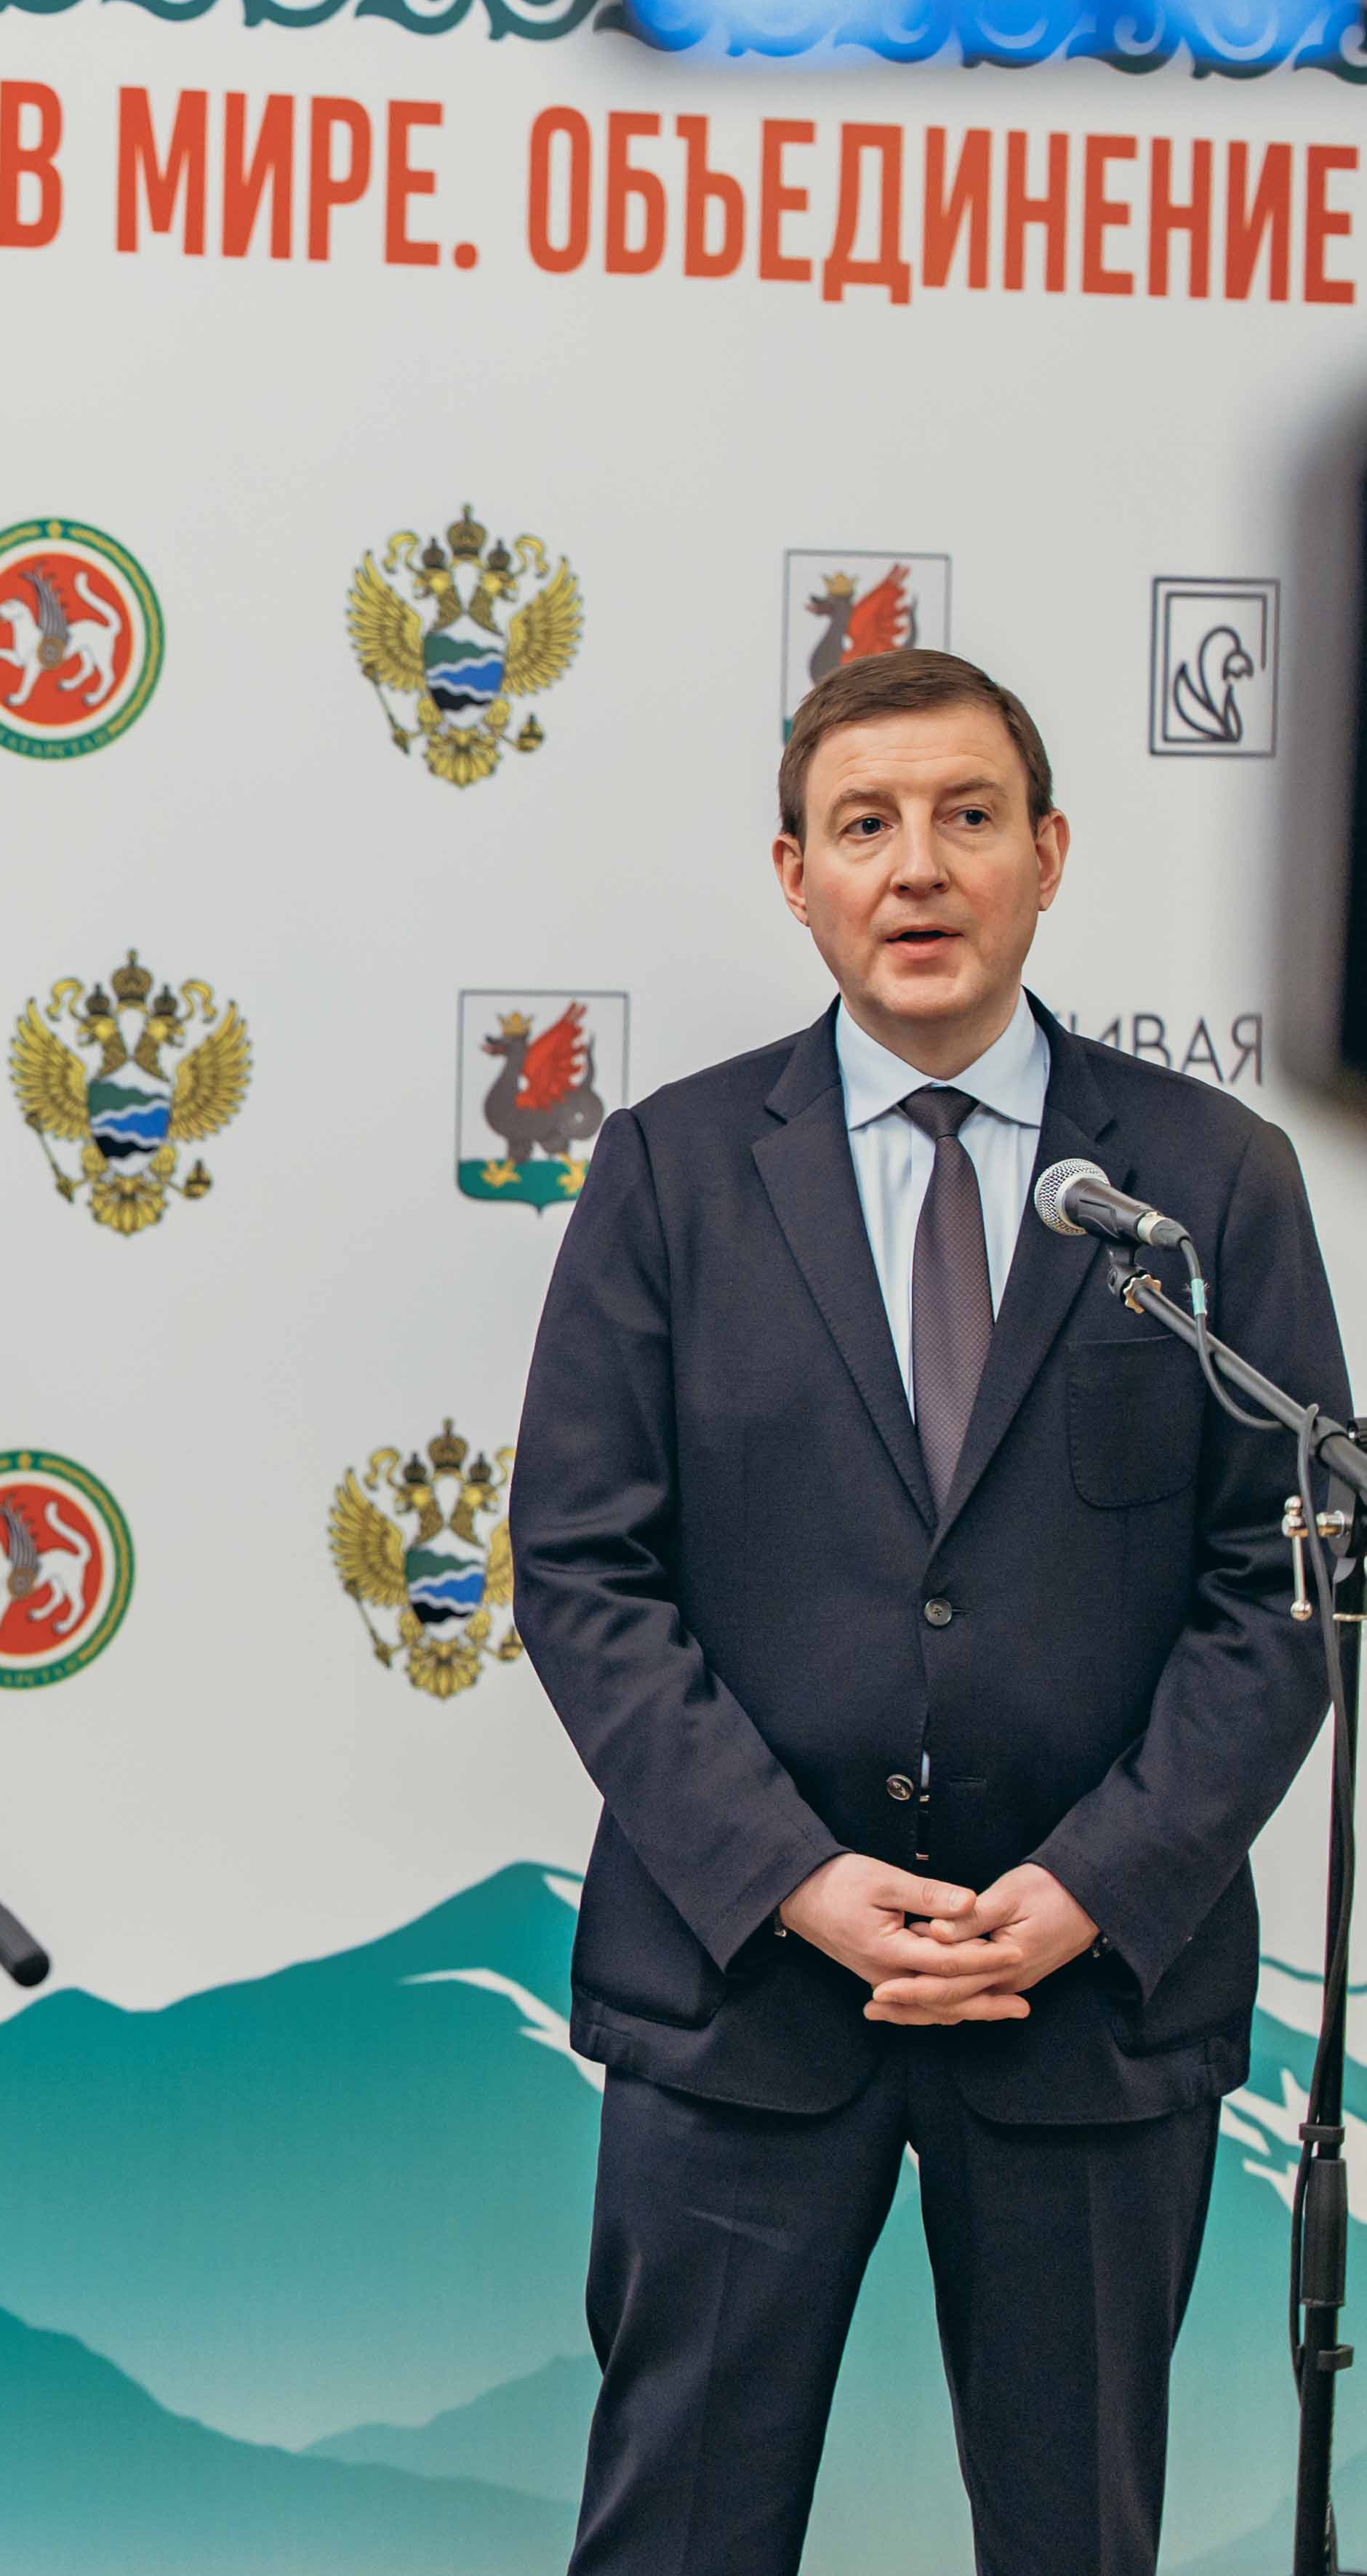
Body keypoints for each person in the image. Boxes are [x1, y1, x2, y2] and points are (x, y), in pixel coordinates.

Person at [515, 649, 1344, 2575]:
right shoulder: (672, 1171)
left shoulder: (1208, 1181)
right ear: (793, 874)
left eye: (968, 817)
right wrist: (793, 1876)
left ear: (1047, 855)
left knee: (1076, 2542)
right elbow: (582, 1564)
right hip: (743, 1990)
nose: (918, 867)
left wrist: (1096, 1886)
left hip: (1089, 2000)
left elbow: (1282, 1575)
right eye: (864, 824)